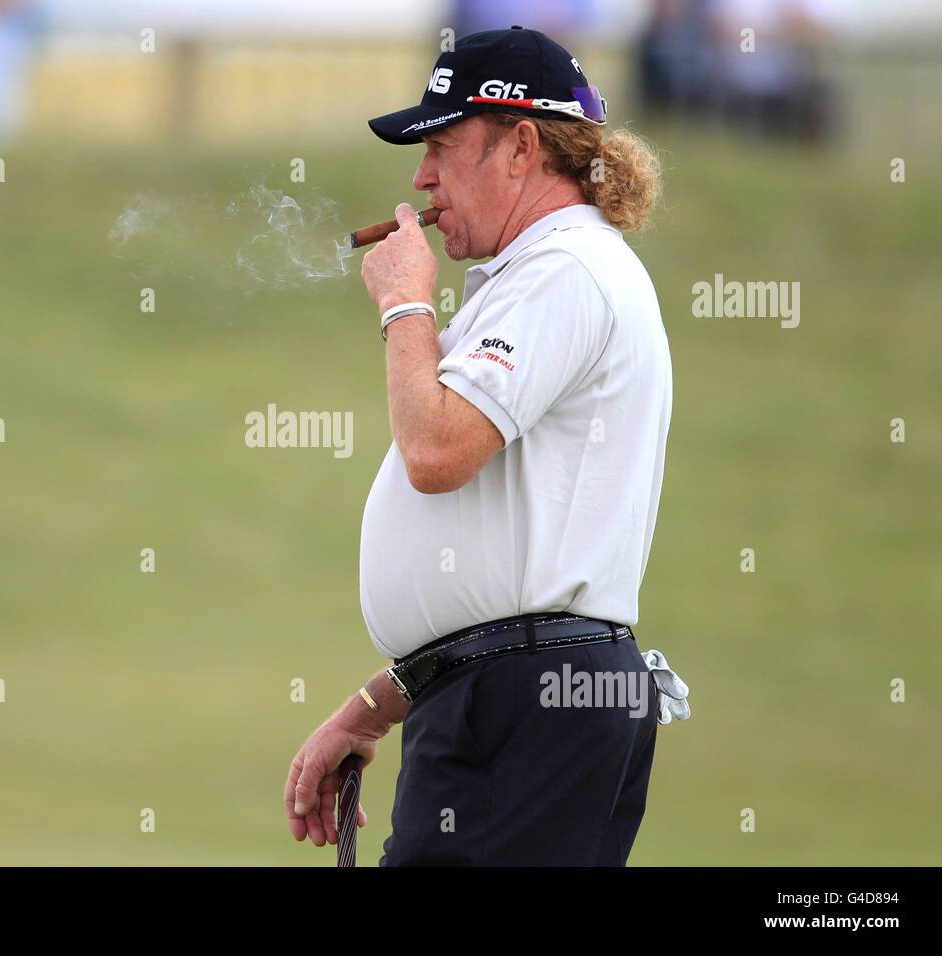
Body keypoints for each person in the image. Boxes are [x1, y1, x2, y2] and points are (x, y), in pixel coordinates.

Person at [283, 26, 688, 865]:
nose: (423, 177)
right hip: (508, 694)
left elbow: (436, 454)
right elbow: (500, 580)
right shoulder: (542, 272)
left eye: (441, 145)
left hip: (528, 705)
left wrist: (404, 305)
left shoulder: (565, 269)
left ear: (522, 146)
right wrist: (372, 708)